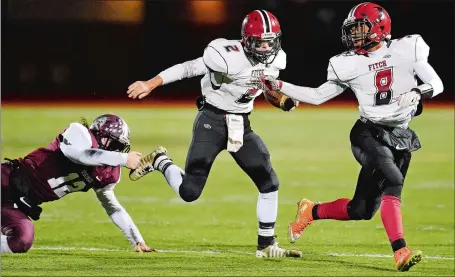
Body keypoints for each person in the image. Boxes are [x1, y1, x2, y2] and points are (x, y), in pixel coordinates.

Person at [258, 2, 443, 271]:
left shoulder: (408, 48)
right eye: (352, 30)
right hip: (368, 133)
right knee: (393, 179)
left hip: (400, 134)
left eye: (359, 28)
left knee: (361, 210)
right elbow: (319, 96)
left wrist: (417, 92)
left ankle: (311, 211)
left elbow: (436, 84)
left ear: (379, 27)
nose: (353, 35)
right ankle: (401, 251)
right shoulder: (347, 63)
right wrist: (280, 85)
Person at [126, 10, 300, 258]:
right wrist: (151, 83)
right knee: (189, 192)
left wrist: (282, 100)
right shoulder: (225, 55)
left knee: (269, 181)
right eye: (258, 42)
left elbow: (267, 88)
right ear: (246, 40)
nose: (264, 48)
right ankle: (160, 161)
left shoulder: (277, 59)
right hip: (212, 120)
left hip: (241, 123)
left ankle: (266, 244)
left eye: (269, 43)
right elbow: (188, 68)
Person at [1, 114, 155, 253]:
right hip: (6, 179)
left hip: (18, 205)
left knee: (22, 240)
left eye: (120, 148)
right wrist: (122, 159)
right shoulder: (79, 133)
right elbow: (80, 156)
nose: (117, 151)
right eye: (113, 145)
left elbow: (113, 209)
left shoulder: (107, 173)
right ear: (100, 135)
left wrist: (137, 239)